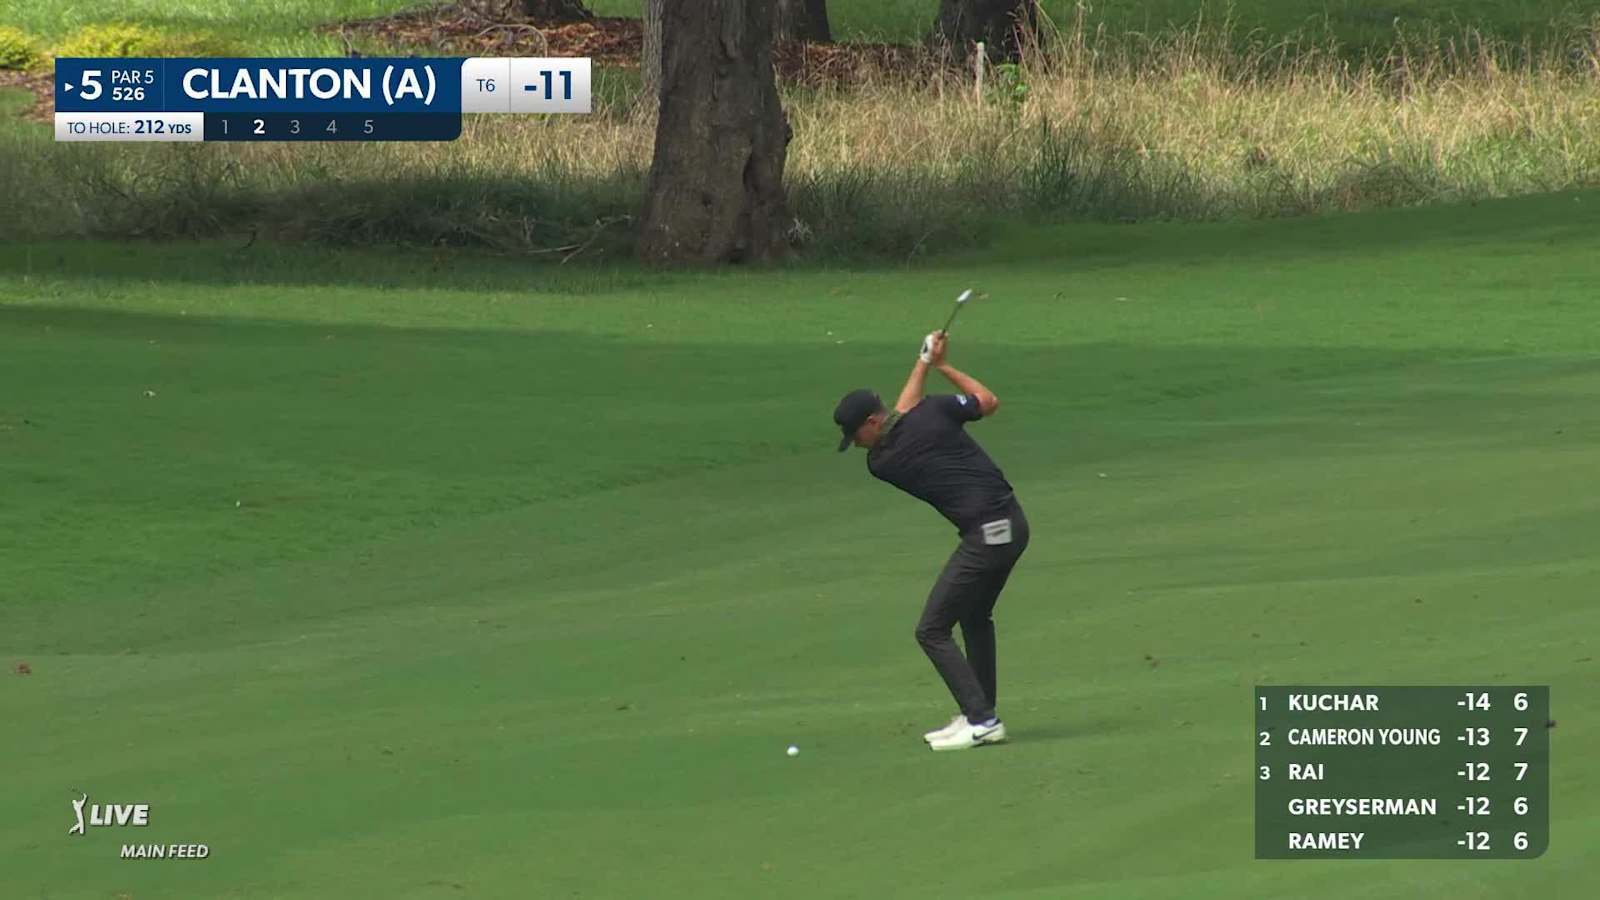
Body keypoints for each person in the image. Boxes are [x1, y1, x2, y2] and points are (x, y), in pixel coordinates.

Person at [833, 331, 1029, 751]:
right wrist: (938, 365)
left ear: (872, 424)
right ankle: (978, 712)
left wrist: (925, 363)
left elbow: (905, 412)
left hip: (988, 536)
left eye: (856, 435)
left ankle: (983, 720)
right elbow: (987, 401)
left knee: (932, 629)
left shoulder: (882, 460)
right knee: (974, 617)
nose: (858, 445)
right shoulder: (934, 411)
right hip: (1012, 524)